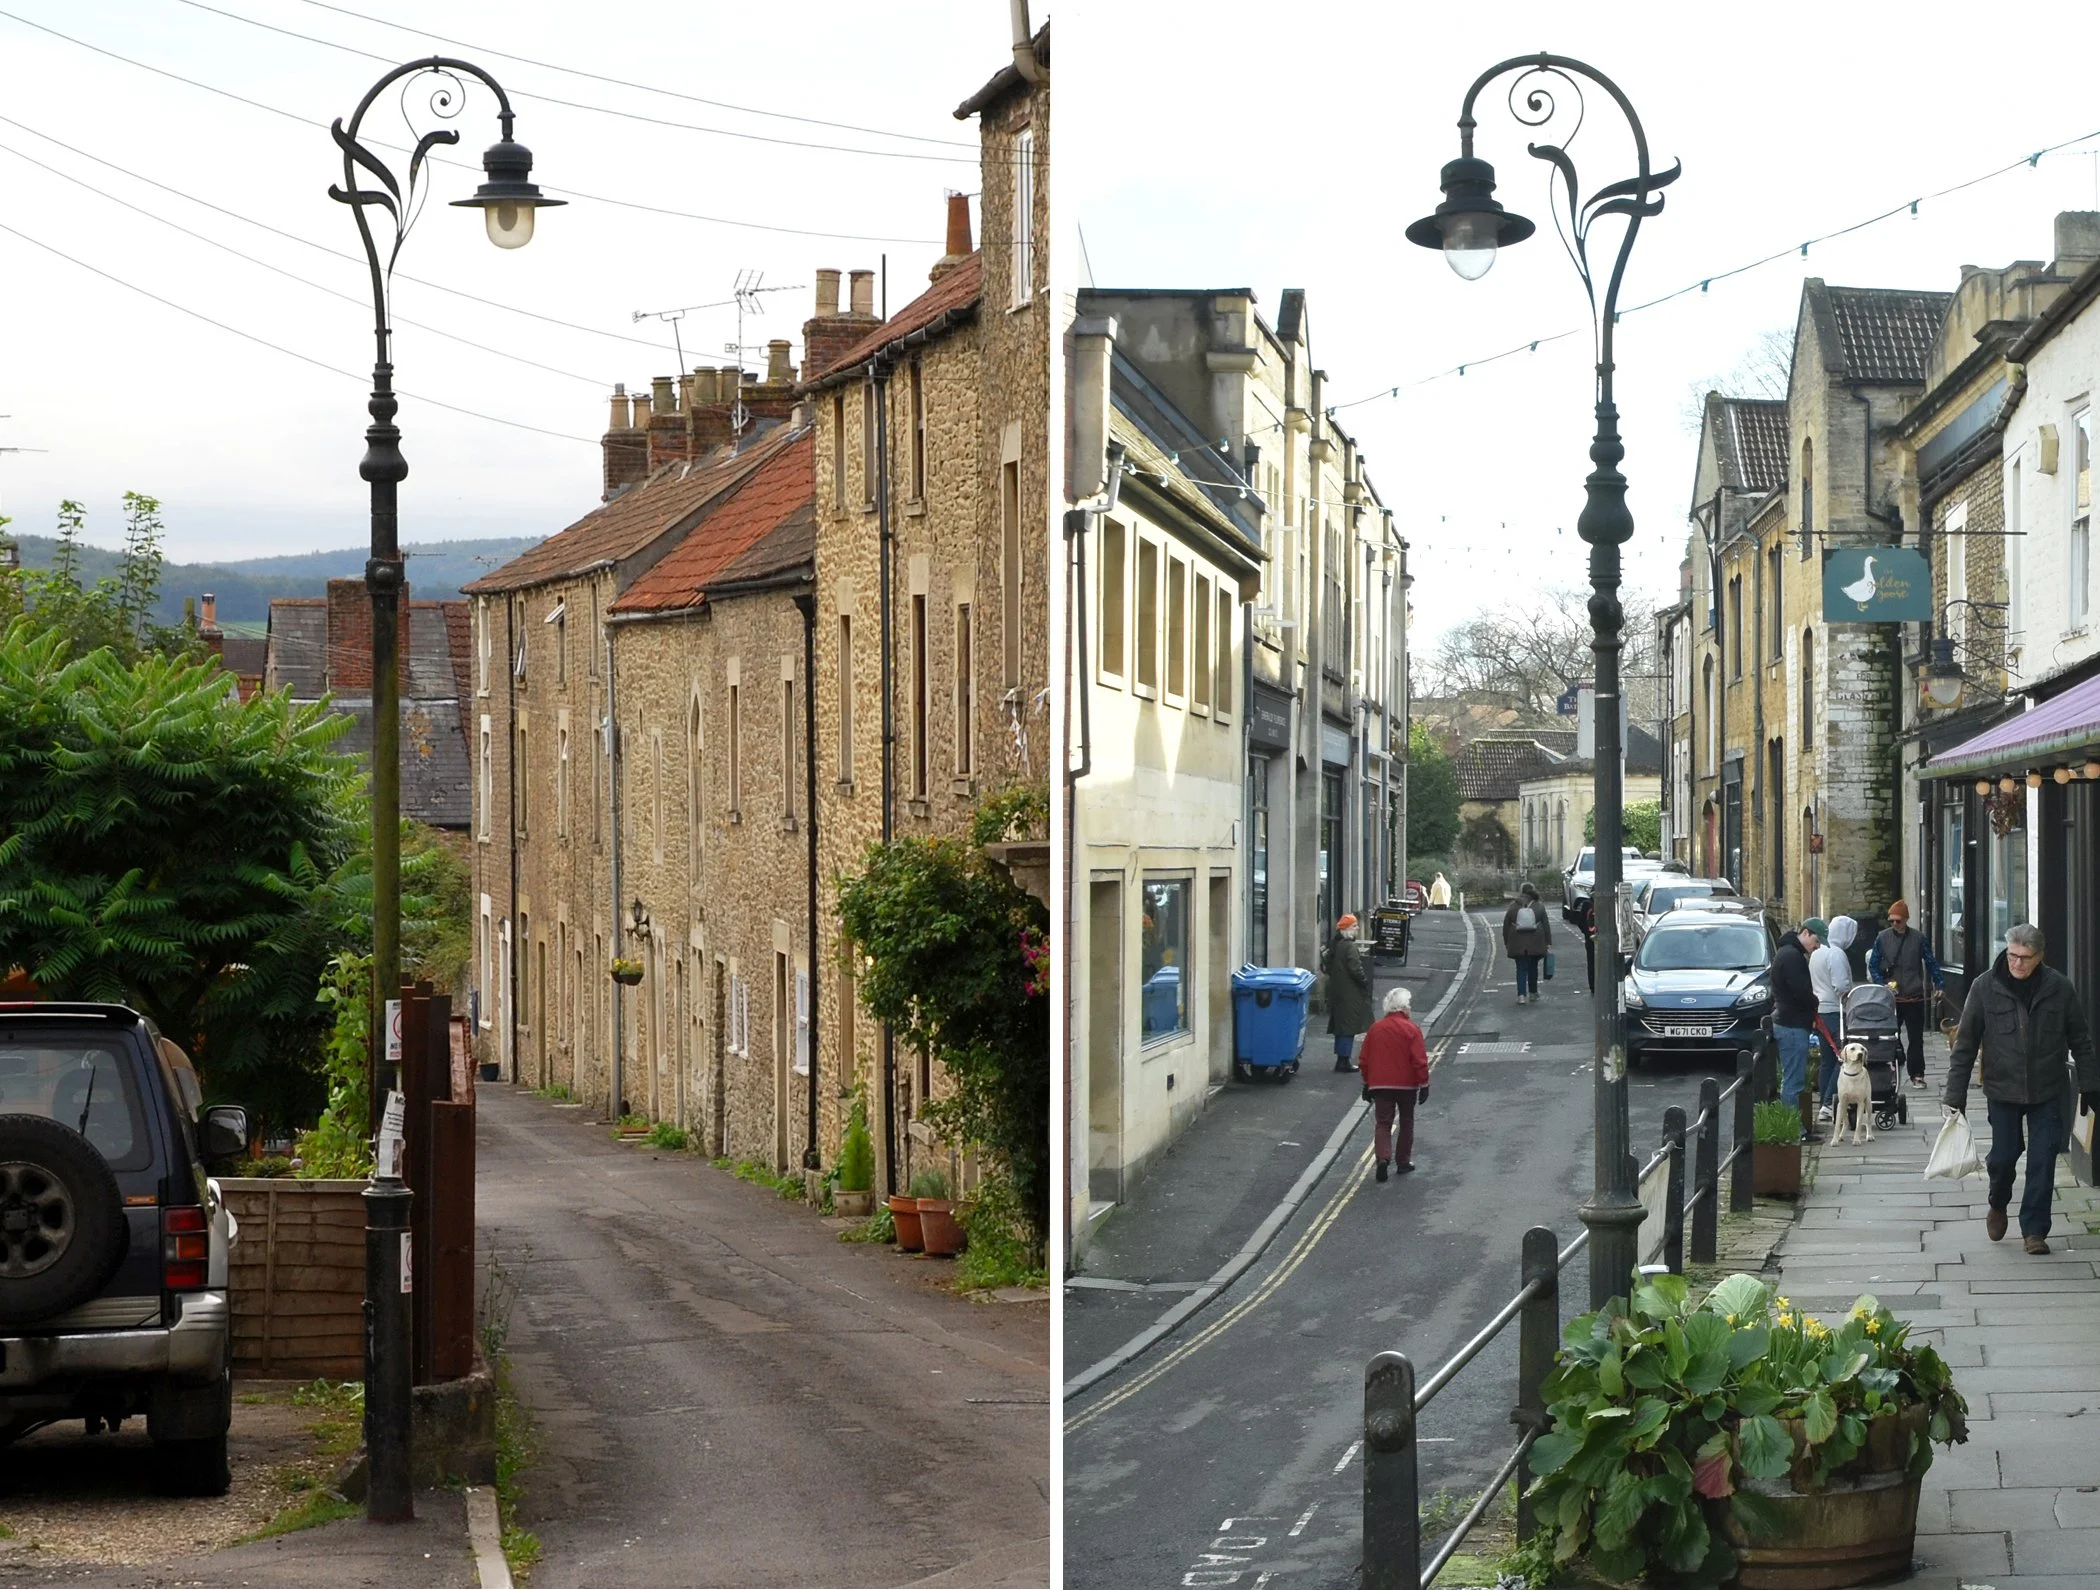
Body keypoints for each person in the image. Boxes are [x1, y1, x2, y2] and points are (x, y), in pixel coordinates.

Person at [1943, 924, 2099, 1254]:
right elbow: (1966, 1044)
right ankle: (1998, 1203)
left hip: (2049, 1088)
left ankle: (2035, 1231)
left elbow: (2081, 1040)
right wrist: (1954, 1096)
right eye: (2013, 955)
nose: (2017, 963)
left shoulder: (2059, 988)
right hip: (2002, 1089)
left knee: (2042, 1160)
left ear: (2039, 957)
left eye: (2025, 958)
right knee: (2003, 1157)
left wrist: (2090, 1084)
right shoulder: (1985, 986)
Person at [1868, 901, 1946, 1089]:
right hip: (1891, 997)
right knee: (1889, 1036)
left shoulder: (1918, 938)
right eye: (1891, 921)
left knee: (1916, 1038)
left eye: (1898, 921)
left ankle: (1917, 1074)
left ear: (1906, 920)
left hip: (1914, 995)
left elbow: (1931, 961)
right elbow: (1873, 965)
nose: (1894, 924)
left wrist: (1939, 983)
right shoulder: (1882, 938)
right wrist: (1882, 984)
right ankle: (1892, 1068)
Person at [1359, 985, 1431, 1180]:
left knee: (1383, 1122)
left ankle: (1382, 1158)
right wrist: (1424, 1084)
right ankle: (1403, 1162)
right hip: (1406, 1085)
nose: (1410, 1009)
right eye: (1409, 1005)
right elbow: (1419, 1060)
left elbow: (1364, 1059)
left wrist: (1367, 1082)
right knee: (1406, 1121)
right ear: (1403, 1007)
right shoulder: (1411, 1029)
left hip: (1380, 1084)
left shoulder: (1375, 1029)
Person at [1772, 919, 1822, 1117]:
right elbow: (1801, 992)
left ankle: (1794, 1126)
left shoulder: (1787, 952)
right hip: (1792, 1025)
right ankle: (1794, 1130)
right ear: (1806, 933)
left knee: (1792, 1079)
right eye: (1816, 941)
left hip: (1788, 1021)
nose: (1816, 947)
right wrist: (1814, 1002)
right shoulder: (1792, 956)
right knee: (1793, 1081)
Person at [1810, 916, 1856, 1122]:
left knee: (1828, 1060)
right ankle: (1829, 1102)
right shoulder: (1836, 954)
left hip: (1820, 1011)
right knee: (1843, 1057)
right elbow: (1841, 985)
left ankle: (1823, 1104)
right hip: (1835, 1011)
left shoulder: (1817, 953)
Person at [1324, 913, 1373, 1073]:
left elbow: (1328, 966)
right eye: (1354, 926)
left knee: (1341, 1026)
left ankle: (1341, 1058)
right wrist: (1364, 981)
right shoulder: (1349, 946)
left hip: (1338, 991)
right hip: (1349, 992)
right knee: (1348, 1027)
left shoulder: (1335, 945)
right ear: (1347, 929)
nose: (1357, 928)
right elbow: (1355, 968)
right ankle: (1343, 1061)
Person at [1502, 882, 1553, 1006]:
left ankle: (1521, 996)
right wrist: (1548, 942)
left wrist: (1507, 942)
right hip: (1536, 942)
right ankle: (1533, 993)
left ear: (1521, 891)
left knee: (1521, 968)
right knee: (1533, 967)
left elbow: (1506, 926)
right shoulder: (1539, 906)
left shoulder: (1513, 906)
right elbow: (1546, 925)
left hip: (1517, 943)